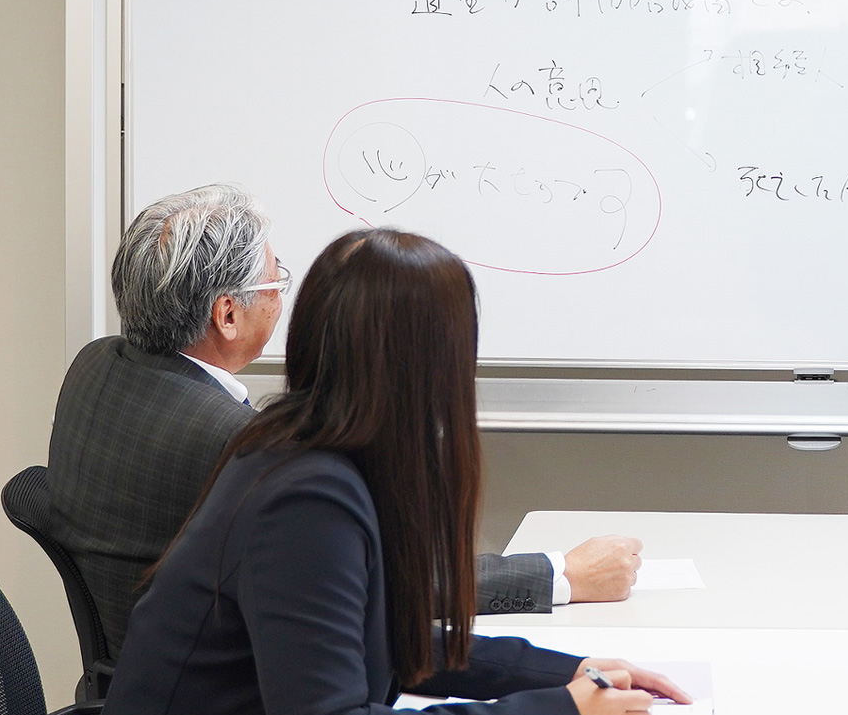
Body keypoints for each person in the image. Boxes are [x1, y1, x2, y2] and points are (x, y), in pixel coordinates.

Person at [73, 228, 689, 715]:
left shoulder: (309, 450)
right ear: (433, 363)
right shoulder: (306, 496)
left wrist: (562, 674)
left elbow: (382, 639)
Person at [42, 185, 640, 658]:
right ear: (227, 314)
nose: (282, 295)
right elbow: (389, 591)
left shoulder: (99, 363)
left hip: (147, 669)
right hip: (235, 697)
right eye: (276, 280)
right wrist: (561, 574)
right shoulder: (236, 447)